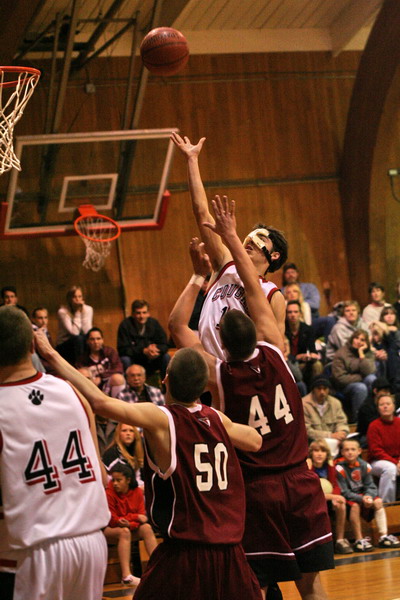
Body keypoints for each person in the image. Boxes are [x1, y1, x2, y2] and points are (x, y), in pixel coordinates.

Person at [168, 196, 333, 600]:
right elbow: (255, 298)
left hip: (258, 485)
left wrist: (199, 275)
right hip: (300, 478)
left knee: (254, 584)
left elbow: (177, 326)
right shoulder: (277, 351)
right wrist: (229, 238)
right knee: (312, 587)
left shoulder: (220, 374)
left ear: (221, 342)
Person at [34, 332, 264, 600]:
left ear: (165, 379)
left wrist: (50, 354)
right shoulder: (217, 419)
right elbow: (256, 441)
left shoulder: (162, 419)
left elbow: (101, 402)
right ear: (203, 388)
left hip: (186, 556)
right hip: (231, 556)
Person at [0, 306, 110, 600]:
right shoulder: (74, 393)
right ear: (32, 345)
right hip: (90, 545)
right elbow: (102, 477)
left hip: (30, 554)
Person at [170, 132, 288, 361]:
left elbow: (276, 349)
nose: (251, 240)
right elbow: (202, 213)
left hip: (242, 372)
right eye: (249, 236)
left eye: (261, 238)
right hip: (211, 368)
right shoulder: (226, 263)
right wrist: (192, 160)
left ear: (274, 255)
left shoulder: (272, 294)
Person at [336, 439, 400, 550]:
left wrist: (368, 496)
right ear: (342, 452)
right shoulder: (339, 468)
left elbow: (371, 486)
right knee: (355, 506)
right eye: (346, 450)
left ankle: (383, 537)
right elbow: (344, 491)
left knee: (378, 501)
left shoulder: (365, 465)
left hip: (363, 495)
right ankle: (359, 540)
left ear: (359, 451)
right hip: (350, 497)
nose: (350, 452)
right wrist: (362, 499)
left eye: (353, 449)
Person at [104, 464, 158, 586]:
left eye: (119, 480)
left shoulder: (137, 492)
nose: (115, 483)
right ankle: (126, 576)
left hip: (129, 527)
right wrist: (134, 518)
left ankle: (158, 567)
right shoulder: (109, 493)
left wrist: (130, 522)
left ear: (128, 480)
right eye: (113, 480)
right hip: (109, 530)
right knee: (124, 532)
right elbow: (113, 520)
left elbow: (142, 517)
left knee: (146, 528)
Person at [308, 440, 351, 555]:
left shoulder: (330, 466)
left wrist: (335, 498)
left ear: (327, 454)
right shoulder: (308, 467)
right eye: (316, 451)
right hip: (312, 501)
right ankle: (318, 544)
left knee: (341, 504)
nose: (319, 454)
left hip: (327, 499)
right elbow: (310, 491)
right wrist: (333, 496)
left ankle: (340, 541)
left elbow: (335, 485)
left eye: (323, 451)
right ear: (311, 453)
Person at [117, 299, 170, 380]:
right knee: (125, 360)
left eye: (144, 312)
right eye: (138, 313)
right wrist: (143, 351)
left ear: (148, 313)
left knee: (166, 357)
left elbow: (165, 344)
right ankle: (130, 387)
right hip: (135, 360)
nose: (141, 316)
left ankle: (166, 385)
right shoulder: (125, 325)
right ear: (133, 314)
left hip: (152, 359)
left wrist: (155, 349)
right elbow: (122, 349)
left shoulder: (154, 323)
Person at [331, 329, 377, 422]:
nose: (358, 341)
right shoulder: (341, 353)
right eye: (356, 338)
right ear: (352, 339)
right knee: (361, 387)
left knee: (372, 379)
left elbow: (370, 371)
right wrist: (361, 377)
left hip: (360, 381)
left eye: (362, 340)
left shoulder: (367, 352)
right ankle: (359, 420)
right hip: (344, 387)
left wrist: (361, 354)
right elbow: (340, 379)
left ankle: (374, 414)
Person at [302, 377, 349, 458]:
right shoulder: (303, 404)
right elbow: (306, 430)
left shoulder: (335, 403)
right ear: (313, 390)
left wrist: (342, 432)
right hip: (314, 442)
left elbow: (342, 421)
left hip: (335, 441)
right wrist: (330, 435)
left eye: (325, 389)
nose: (322, 392)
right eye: (319, 389)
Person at [367, 394, 400, 503]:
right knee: (390, 469)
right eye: (382, 404)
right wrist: (396, 462)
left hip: (397, 460)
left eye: (388, 404)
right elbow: (376, 451)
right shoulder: (374, 426)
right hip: (377, 461)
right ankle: (386, 505)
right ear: (378, 408)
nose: (385, 406)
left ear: (394, 406)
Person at [75, 327, 125, 397]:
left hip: (108, 384)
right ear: (87, 341)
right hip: (92, 386)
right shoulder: (82, 358)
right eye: (92, 339)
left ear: (102, 340)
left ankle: (117, 402)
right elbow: (79, 375)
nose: (96, 342)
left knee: (118, 378)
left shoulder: (110, 352)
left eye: (98, 339)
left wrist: (101, 377)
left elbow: (119, 369)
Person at [285, 300, 323, 390]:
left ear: (300, 314)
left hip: (302, 363)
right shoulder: (282, 329)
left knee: (317, 365)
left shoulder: (308, 329)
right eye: (290, 312)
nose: (293, 315)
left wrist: (312, 356)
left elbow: (312, 350)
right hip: (288, 363)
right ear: (286, 314)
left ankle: (317, 391)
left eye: (295, 312)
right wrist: (296, 357)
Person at [56, 285, 93, 364]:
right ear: (69, 299)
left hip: (81, 340)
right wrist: (78, 312)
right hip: (64, 343)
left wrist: (83, 311)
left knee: (91, 338)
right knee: (79, 339)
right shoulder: (63, 312)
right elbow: (74, 333)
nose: (77, 299)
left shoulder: (88, 309)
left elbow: (87, 331)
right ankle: (80, 365)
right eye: (74, 297)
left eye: (80, 296)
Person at [357, 377, 391, 448]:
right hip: (367, 435)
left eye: (388, 391)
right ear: (375, 391)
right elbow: (372, 426)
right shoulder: (366, 407)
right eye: (385, 391)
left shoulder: (390, 404)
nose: (387, 394)